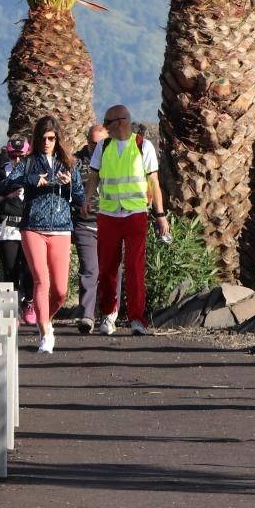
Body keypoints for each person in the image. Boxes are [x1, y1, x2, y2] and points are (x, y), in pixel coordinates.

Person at [86, 104, 172, 335]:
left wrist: (160, 215)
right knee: (106, 268)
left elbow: (154, 182)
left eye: (107, 122)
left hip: (135, 215)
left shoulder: (143, 145)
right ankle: (108, 314)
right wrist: (87, 199)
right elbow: (94, 176)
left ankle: (137, 318)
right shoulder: (103, 147)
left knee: (134, 267)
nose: (104, 127)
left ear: (121, 121)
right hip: (108, 214)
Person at [3, 116, 86, 353]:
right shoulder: (28, 163)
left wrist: (70, 184)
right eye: (43, 138)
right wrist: (31, 180)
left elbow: (80, 200)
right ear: (37, 139)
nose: (47, 142)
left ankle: (45, 320)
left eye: (51, 138)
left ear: (57, 139)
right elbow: (4, 186)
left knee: (60, 291)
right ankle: (43, 333)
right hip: (33, 228)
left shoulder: (69, 163)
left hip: (61, 228)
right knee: (41, 281)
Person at [0, 135, 36, 325]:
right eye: (13, 156)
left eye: (21, 156)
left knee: (30, 269)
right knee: (10, 270)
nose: (17, 161)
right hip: (6, 227)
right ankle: (9, 310)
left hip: (29, 226)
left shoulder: (35, 172)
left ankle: (29, 302)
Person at [72, 123, 107, 333]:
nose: (97, 147)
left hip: (111, 222)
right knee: (90, 269)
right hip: (85, 224)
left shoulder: (115, 161)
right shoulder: (76, 163)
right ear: (88, 142)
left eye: (102, 143)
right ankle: (87, 315)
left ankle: (109, 314)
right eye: (94, 143)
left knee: (111, 271)